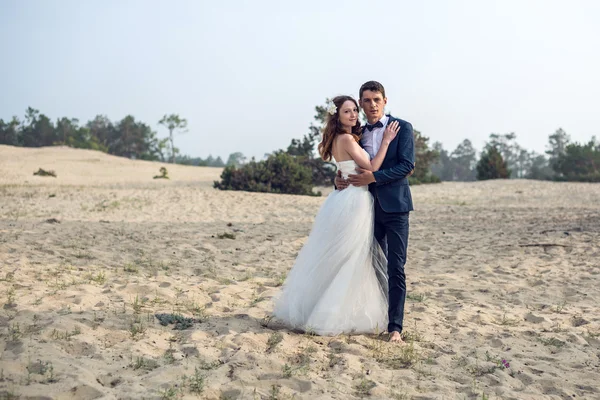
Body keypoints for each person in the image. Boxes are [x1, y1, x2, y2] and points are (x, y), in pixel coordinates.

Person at [273, 95, 400, 336]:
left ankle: (331, 310)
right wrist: (386, 141)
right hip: (355, 201)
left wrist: (337, 177)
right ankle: (333, 315)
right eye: (347, 112)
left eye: (354, 110)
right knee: (351, 258)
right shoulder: (346, 139)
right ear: (337, 116)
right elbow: (372, 167)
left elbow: (345, 168)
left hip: (342, 199)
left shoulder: (339, 139)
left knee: (342, 258)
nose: (353, 115)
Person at [336, 81, 415, 343]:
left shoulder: (401, 127)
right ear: (361, 103)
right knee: (371, 266)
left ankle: (395, 328)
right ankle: (378, 317)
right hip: (365, 211)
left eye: (376, 99)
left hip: (396, 208)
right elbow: (347, 164)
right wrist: (337, 180)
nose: (372, 105)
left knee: (396, 267)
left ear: (385, 100)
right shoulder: (357, 132)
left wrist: (375, 178)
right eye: (367, 100)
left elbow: (407, 166)